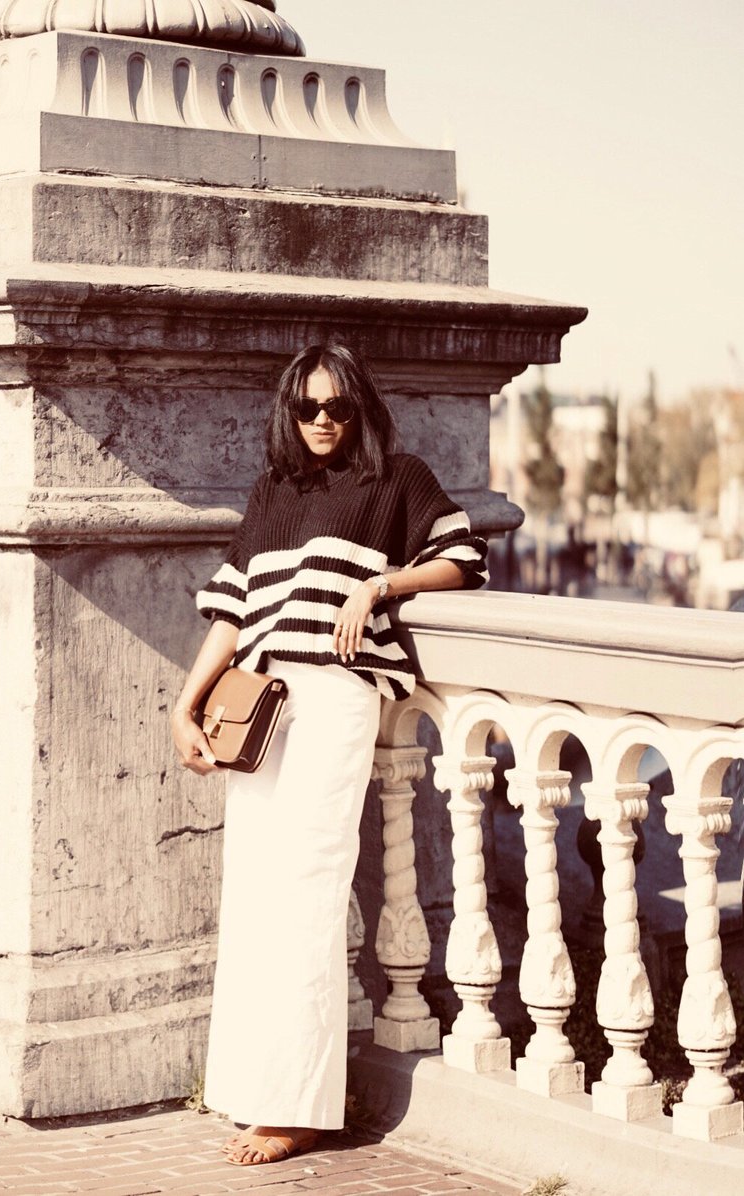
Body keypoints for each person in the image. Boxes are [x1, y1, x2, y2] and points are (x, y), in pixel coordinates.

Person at [170, 343, 488, 1167]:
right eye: (308, 408)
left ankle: (300, 1106)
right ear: (289, 410)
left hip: (336, 699)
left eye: (337, 408)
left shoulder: (396, 478)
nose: (322, 422)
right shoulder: (275, 489)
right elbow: (235, 609)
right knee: (254, 899)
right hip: (261, 706)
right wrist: (185, 700)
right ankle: (250, 1085)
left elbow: (462, 559)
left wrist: (380, 585)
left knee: (308, 895)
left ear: (360, 409)